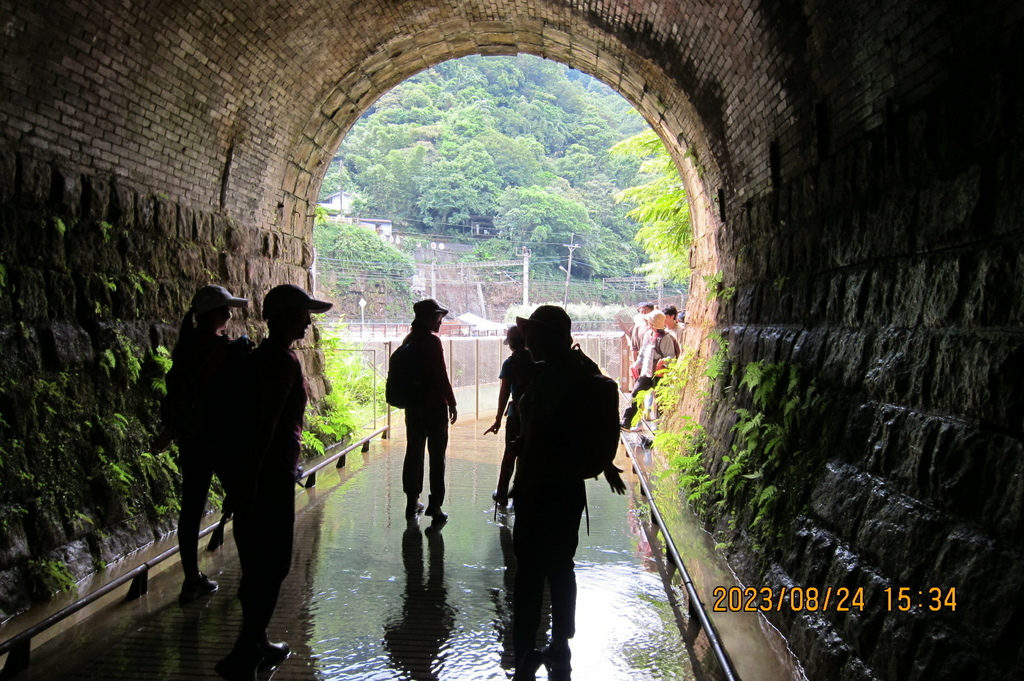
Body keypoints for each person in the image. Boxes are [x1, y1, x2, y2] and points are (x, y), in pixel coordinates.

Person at [215, 284, 332, 681]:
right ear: (283, 317)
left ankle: (257, 640)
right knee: (274, 563)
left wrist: (241, 481)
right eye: (303, 313)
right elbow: (264, 426)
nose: (308, 320)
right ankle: (245, 650)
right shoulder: (281, 364)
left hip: (255, 476)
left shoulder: (257, 359)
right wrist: (249, 482)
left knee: (256, 564)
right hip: (269, 478)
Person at [510, 305, 626, 680]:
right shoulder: (582, 373)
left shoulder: (554, 379)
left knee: (529, 570)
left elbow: (543, 435)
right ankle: (561, 642)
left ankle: (525, 647)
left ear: (545, 337)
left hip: (538, 488)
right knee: (561, 566)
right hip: (567, 490)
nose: (526, 343)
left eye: (531, 336)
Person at [157, 284, 250, 605]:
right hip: (222, 438)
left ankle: (191, 577)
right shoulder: (227, 350)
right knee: (241, 499)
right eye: (226, 309)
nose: (230, 313)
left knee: (191, 508)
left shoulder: (185, 347)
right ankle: (251, 574)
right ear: (216, 314)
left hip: (191, 439)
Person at [401, 299, 458, 522]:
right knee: (437, 455)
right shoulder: (432, 342)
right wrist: (451, 402)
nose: (440, 322)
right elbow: (440, 375)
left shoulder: (409, 340)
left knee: (414, 452)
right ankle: (435, 504)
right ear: (427, 318)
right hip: (434, 407)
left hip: (413, 407)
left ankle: (412, 502)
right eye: (437, 317)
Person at [483, 325, 536, 504]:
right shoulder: (537, 361)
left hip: (515, 414)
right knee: (529, 453)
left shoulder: (510, 363)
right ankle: (522, 489)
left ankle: (502, 492)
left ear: (512, 343)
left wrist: (498, 419)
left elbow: (504, 393)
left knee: (511, 452)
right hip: (534, 415)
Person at [620, 309, 678, 429]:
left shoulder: (666, 338)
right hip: (646, 373)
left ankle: (661, 428)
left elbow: (671, 357)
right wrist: (636, 364)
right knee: (636, 395)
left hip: (659, 375)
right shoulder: (648, 335)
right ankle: (627, 422)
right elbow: (642, 353)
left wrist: (663, 361)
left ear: (652, 323)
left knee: (661, 402)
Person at [628, 301, 655, 366]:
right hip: (642, 362)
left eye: (646, 310)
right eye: (641, 311)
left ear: (652, 311)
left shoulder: (660, 326)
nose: (643, 313)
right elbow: (634, 348)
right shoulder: (637, 327)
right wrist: (634, 364)